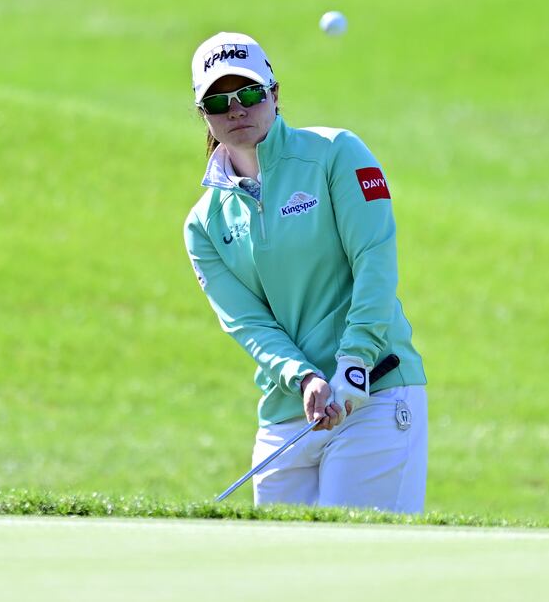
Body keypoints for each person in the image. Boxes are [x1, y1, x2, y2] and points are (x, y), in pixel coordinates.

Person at [182, 32, 428, 513]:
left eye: (249, 93)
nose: (236, 110)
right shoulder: (203, 223)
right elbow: (248, 324)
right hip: (288, 412)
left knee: (359, 573)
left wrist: (354, 359)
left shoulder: (337, 153)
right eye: (218, 101)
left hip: (373, 393)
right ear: (203, 114)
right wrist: (304, 379)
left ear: (274, 92)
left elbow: (374, 261)